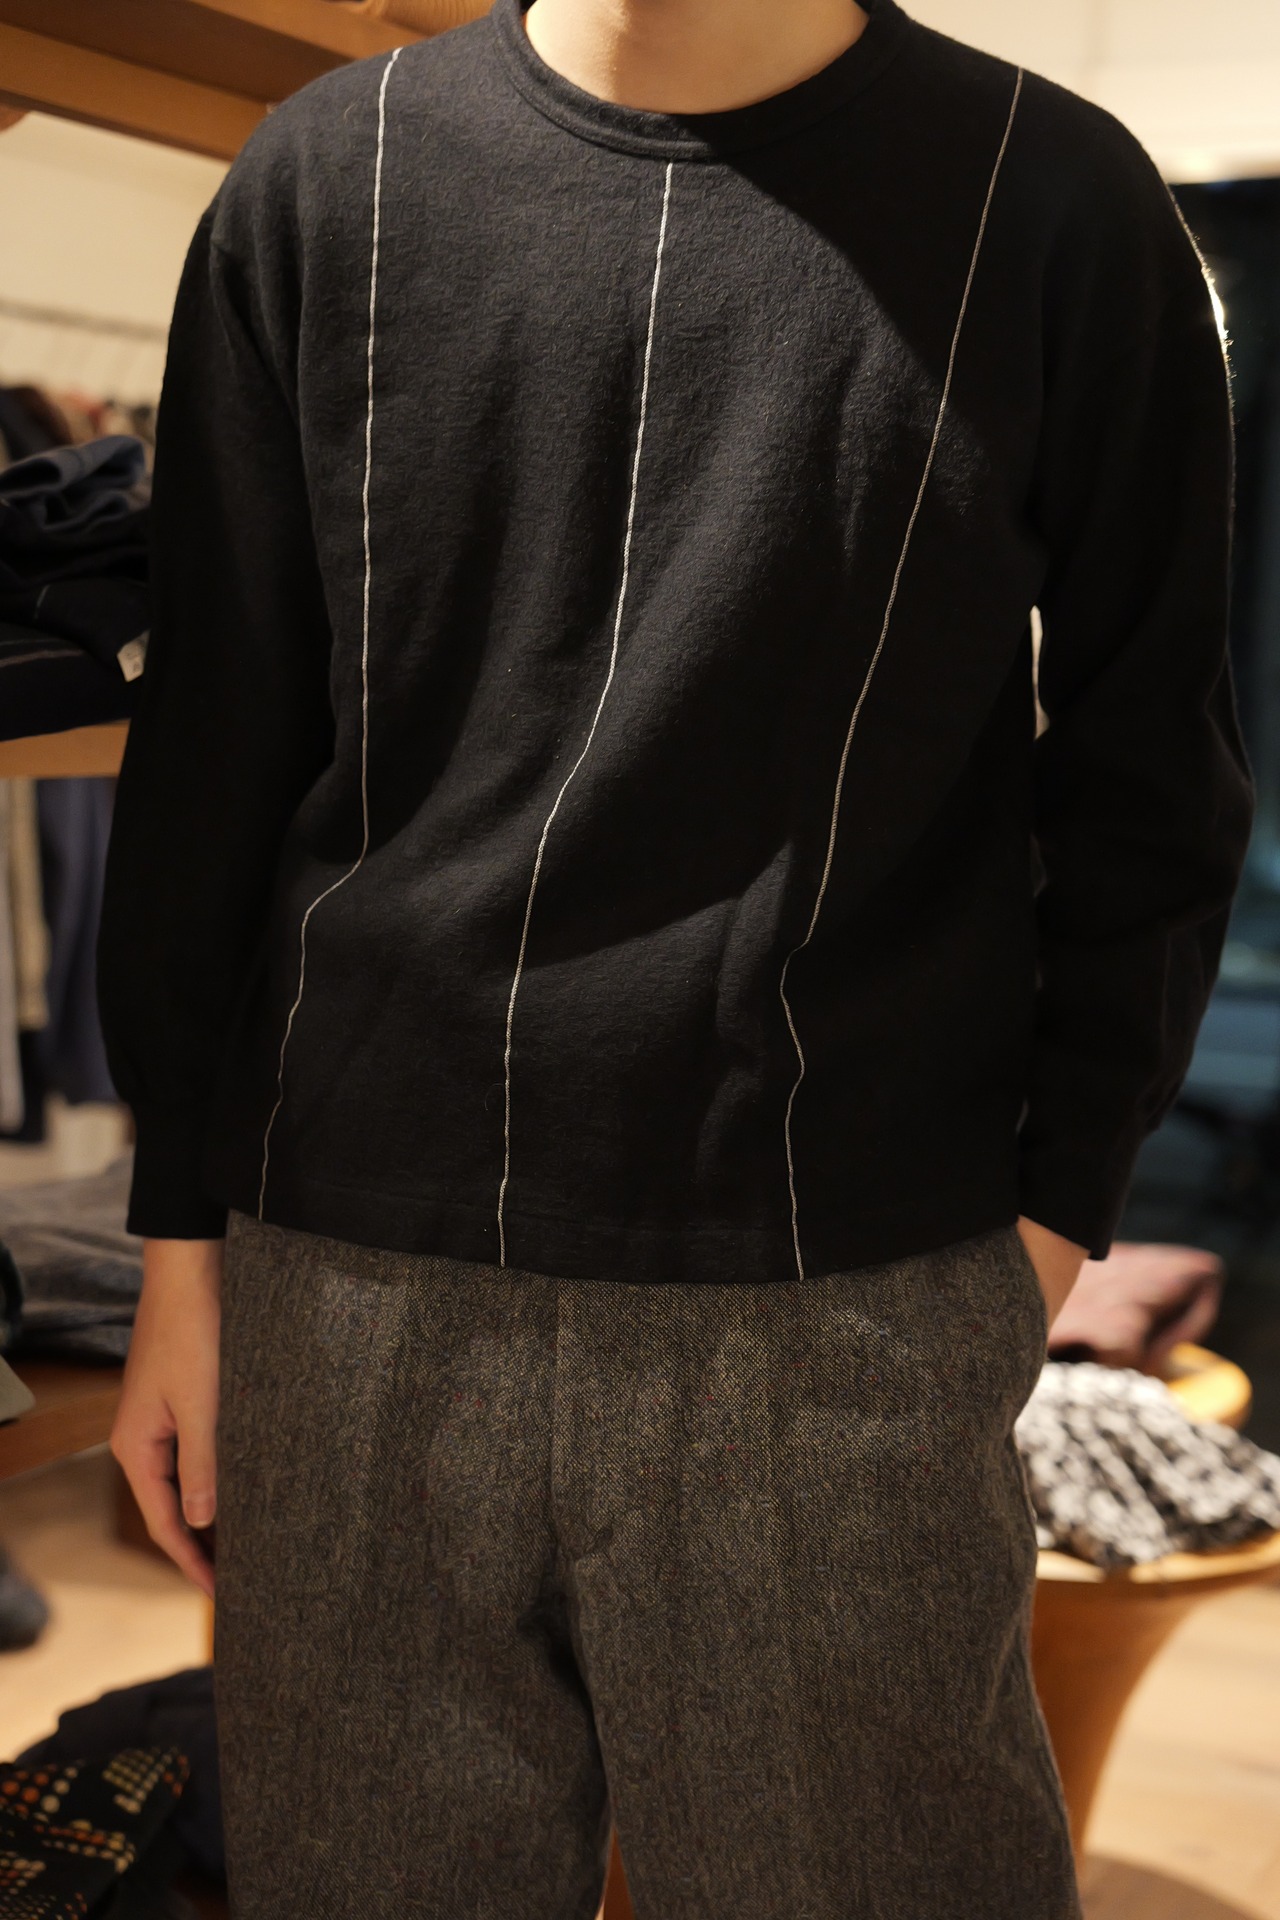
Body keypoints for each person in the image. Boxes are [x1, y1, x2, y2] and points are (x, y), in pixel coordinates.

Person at [98, 0, 1255, 1911]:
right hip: (349, 1276)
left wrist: (1050, 1216)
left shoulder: (1052, 198)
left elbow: (1154, 771)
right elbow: (217, 749)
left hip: (841, 1296)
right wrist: (177, 1248)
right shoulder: (325, 178)